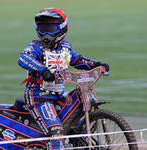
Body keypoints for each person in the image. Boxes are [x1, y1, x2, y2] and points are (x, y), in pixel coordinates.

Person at [18, 8, 109, 149]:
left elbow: (78, 60)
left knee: (76, 126)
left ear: (62, 29)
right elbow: (23, 58)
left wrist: (96, 65)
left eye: (51, 29)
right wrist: (42, 70)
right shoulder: (35, 46)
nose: (46, 34)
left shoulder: (66, 47)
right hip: (38, 98)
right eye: (43, 29)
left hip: (58, 96)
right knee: (56, 131)